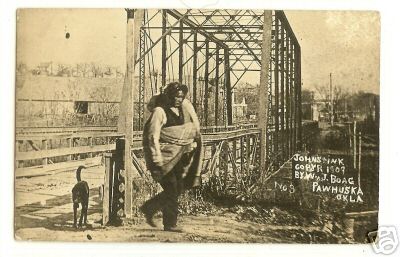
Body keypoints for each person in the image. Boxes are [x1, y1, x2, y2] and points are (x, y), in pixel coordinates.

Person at [141, 82, 203, 232]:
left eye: (181, 97)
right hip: (163, 156)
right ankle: (170, 223)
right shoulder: (159, 112)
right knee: (172, 188)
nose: (178, 99)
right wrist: (156, 158)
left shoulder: (182, 109)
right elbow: (152, 136)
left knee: (178, 187)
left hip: (177, 157)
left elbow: (188, 130)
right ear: (169, 96)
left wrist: (192, 141)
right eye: (175, 96)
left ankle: (149, 208)